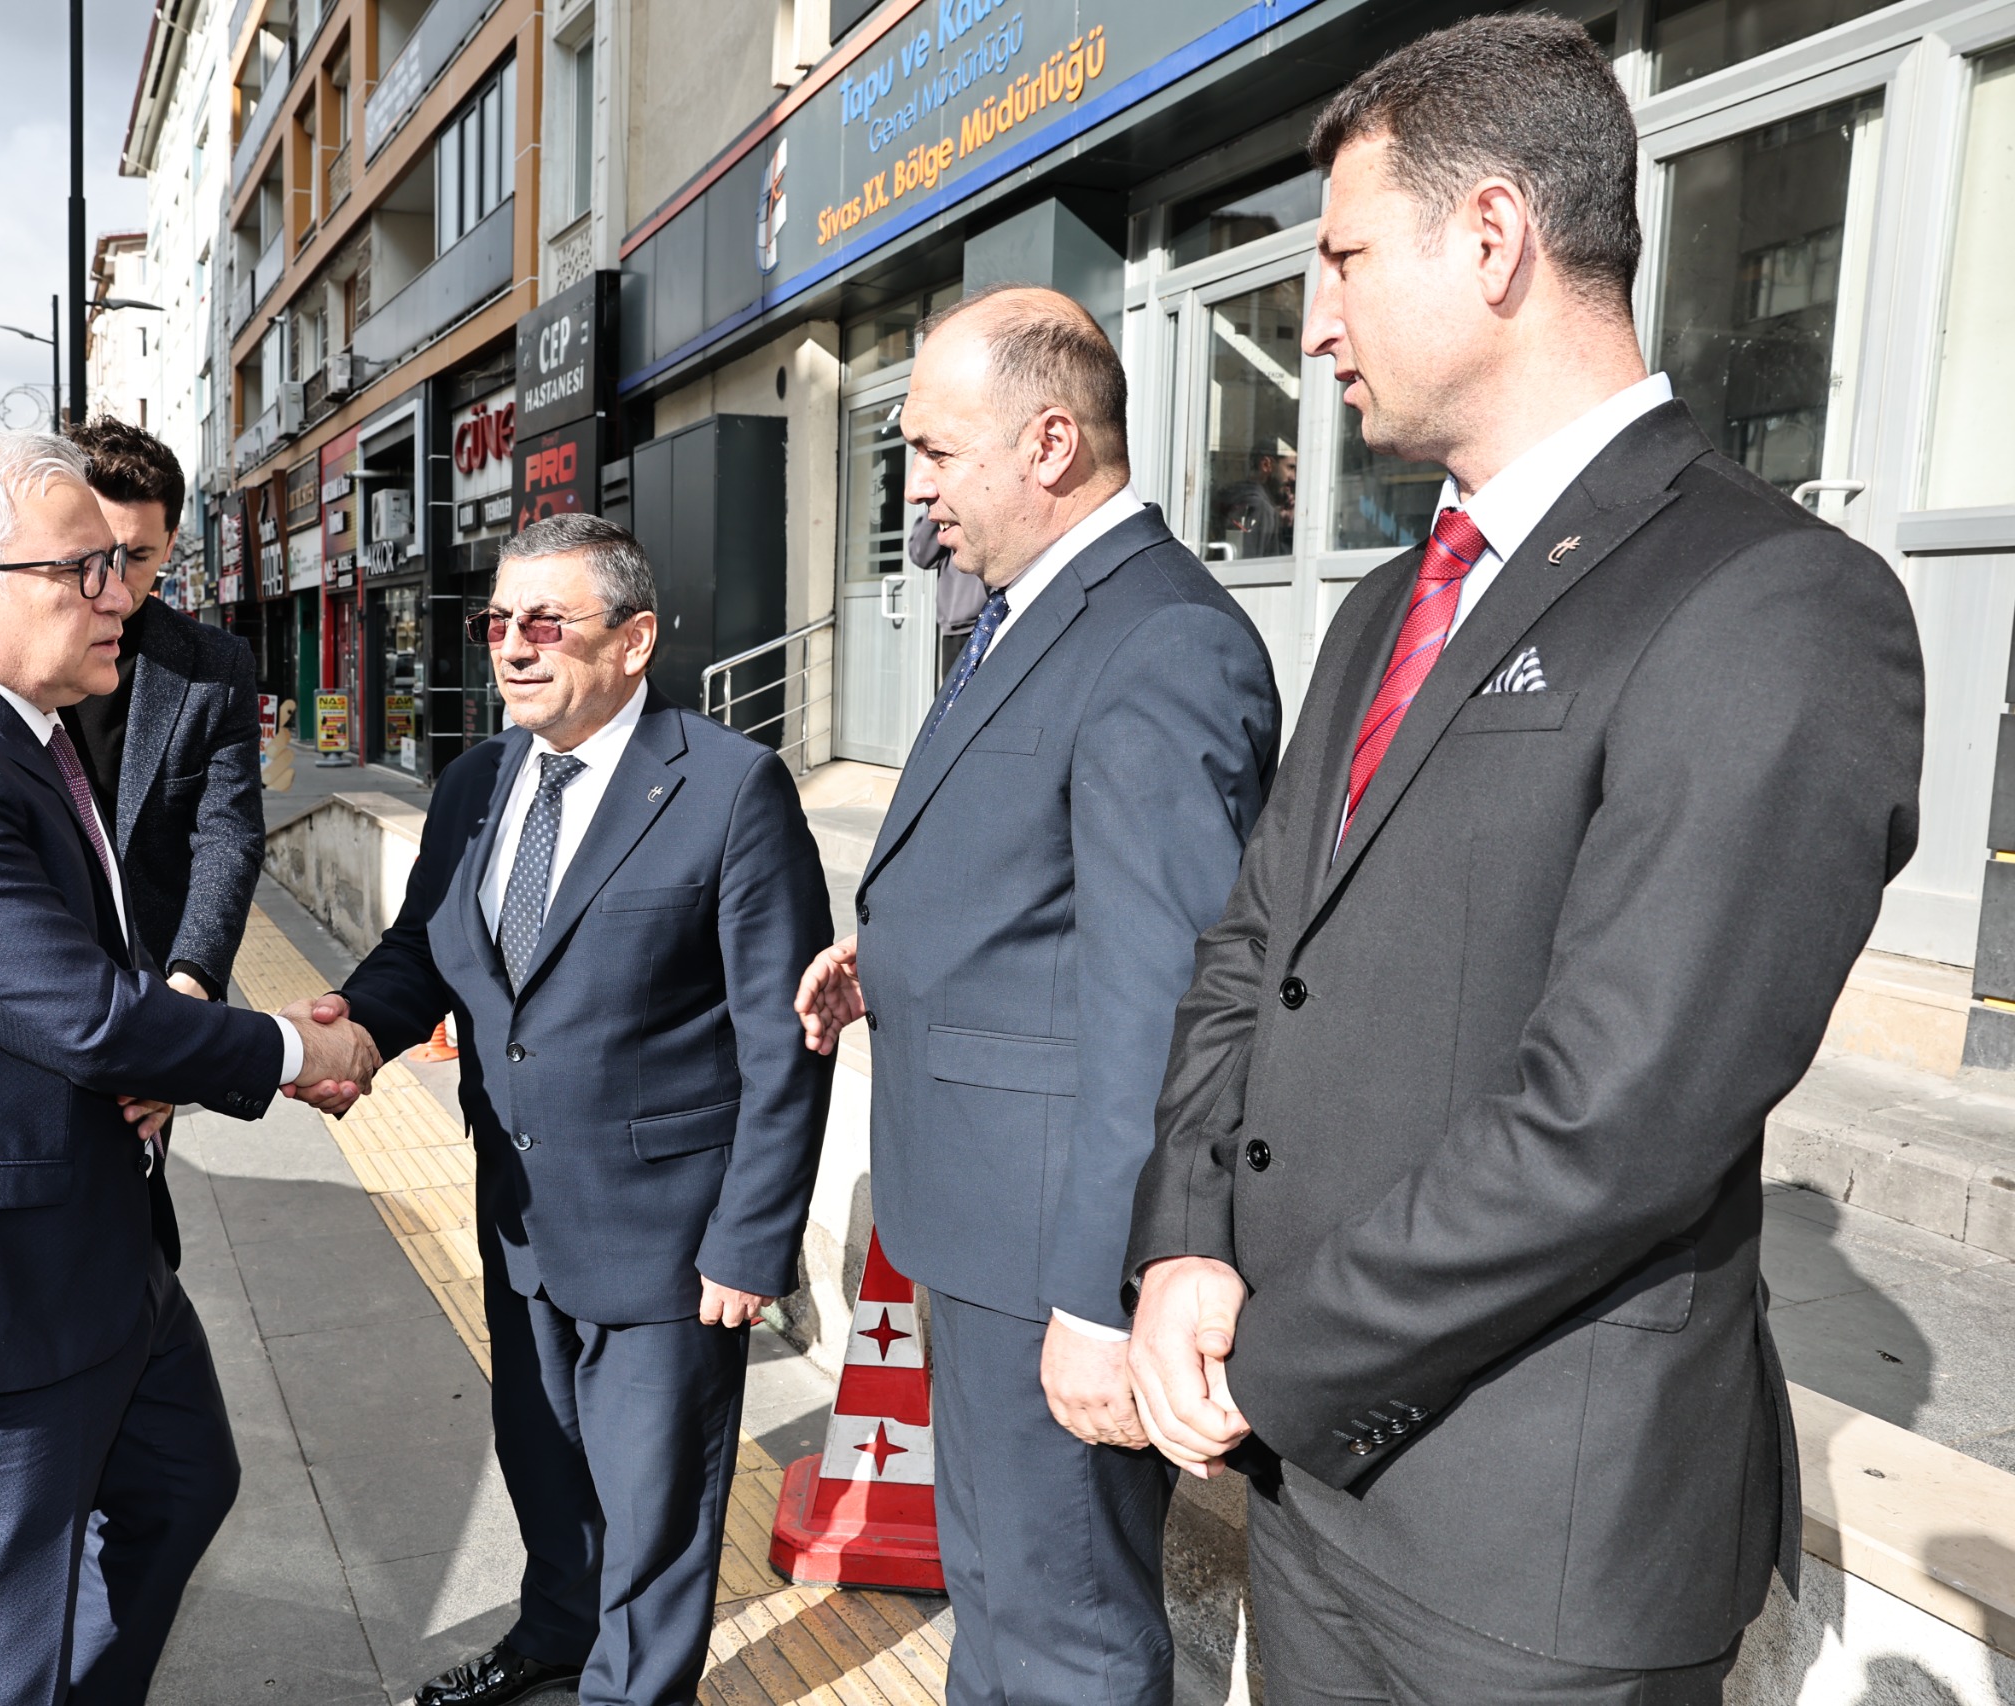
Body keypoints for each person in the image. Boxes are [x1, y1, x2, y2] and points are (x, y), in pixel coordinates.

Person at [1123, 18, 1924, 1704]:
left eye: (1343, 258)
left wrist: (1279, 1356)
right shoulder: (1384, 606)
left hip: (1536, 1570)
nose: (1314, 320)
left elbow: (1613, 1121)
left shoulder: (1773, 605)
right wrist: (1185, 1238)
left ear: (1492, 239)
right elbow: (1258, 947)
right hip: (1315, 1495)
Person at [0, 431, 380, 1706]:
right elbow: (85, 1014)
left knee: (182, 1485)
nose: (118, 594)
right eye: (81, 570)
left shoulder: (11, 732)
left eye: (122, 563)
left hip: (94, 1250)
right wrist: (294, 1048)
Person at [794, 286, 1279, 1706]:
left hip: (1054, 1254)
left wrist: (1102, 1296)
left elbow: (1166, 995)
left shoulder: (1159, 641)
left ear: (1050, 442)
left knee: (1063, 1631)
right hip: (985, 1230)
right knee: (1002, 1599)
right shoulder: (1032, 612)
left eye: (937, 452)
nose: (917, 487)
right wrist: (894, 960)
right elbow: (1045, 890)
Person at [296, 514, 834, 1706]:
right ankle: (553, 1635)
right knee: (541, 1456)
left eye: (545, 621)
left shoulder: (730, 787)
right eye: (497, 621)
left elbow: (785, 1036)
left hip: (669, 1233)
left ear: (634, 639)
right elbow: (422, 951)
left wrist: (751, 1238)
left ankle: (631, 1690)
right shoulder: (476, 782)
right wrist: (355, 1029)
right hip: (519, 1211)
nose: (511, 646)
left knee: (656, 1503)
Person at [61, 416, 264, 1002]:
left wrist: (193, 976)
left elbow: (229, 833)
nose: (114, 584)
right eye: (96, 556)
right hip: (33, 978)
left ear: (172, 544)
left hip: (163, 981)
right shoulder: (10, 657)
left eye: (139, 556)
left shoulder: (215, 665)